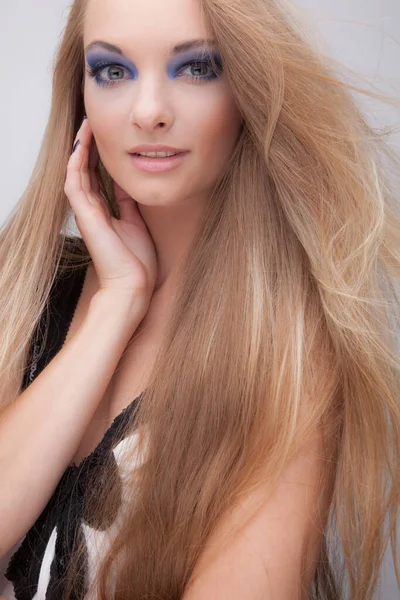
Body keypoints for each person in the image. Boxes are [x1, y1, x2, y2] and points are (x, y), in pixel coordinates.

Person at [0, 0, 399, 598]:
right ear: (80, 94)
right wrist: (118, 304)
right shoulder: (27, 282)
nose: (150, 111)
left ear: (248, 87)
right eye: (112, 71)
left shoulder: (286, 356)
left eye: (197, 68)